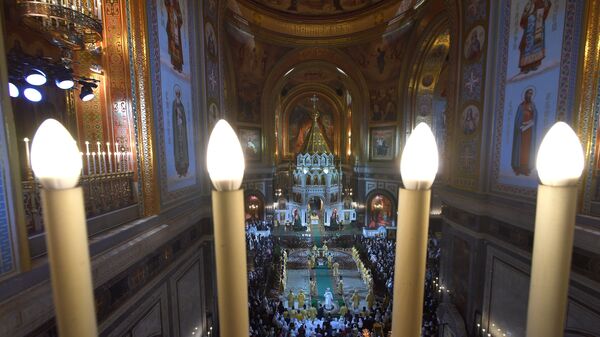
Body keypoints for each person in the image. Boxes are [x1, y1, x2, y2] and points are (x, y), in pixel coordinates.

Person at [518, 0, 552, 74]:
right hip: (530, 28)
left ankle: (534, 63)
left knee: (536, 45)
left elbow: (547, 6)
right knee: (527, 46)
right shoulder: (529, 4)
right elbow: (524, 18)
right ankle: (525, 67)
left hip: (538, 24)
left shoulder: (542, 2)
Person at [511, 88, 537, 176]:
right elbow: (517, 119)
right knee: (520, 149)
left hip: (529, 132)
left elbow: (535, 117)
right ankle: (518, 168)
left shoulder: (532, 106)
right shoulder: (521, 106)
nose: (529, 95)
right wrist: (520, 125)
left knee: (527, 150)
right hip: (521, 131)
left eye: (531, 94)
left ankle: (526, 168)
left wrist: (530, 122)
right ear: (525, 95)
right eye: (528, 94)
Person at [172, 85, 189, 177]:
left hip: (182, 127)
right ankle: (179, 171)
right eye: (176, 94)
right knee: (179, 148)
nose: (178, 95)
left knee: (183, 147)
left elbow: (183, 115)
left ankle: (185, 170)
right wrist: (176, 112)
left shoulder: (181, 104)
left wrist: (181, 114)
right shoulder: (174, 103)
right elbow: (174, 114)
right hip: (177, 129)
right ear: (175, 94)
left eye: (179, 94)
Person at [164, 0, 184, 72]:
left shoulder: (176, 3)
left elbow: (180, 16)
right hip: (172, 25)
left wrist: (177, 18)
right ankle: (174, 63)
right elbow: (166, 4)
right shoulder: (170, 4)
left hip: (176, 28)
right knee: (172, 44)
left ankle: (179, 66)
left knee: (177, 46)